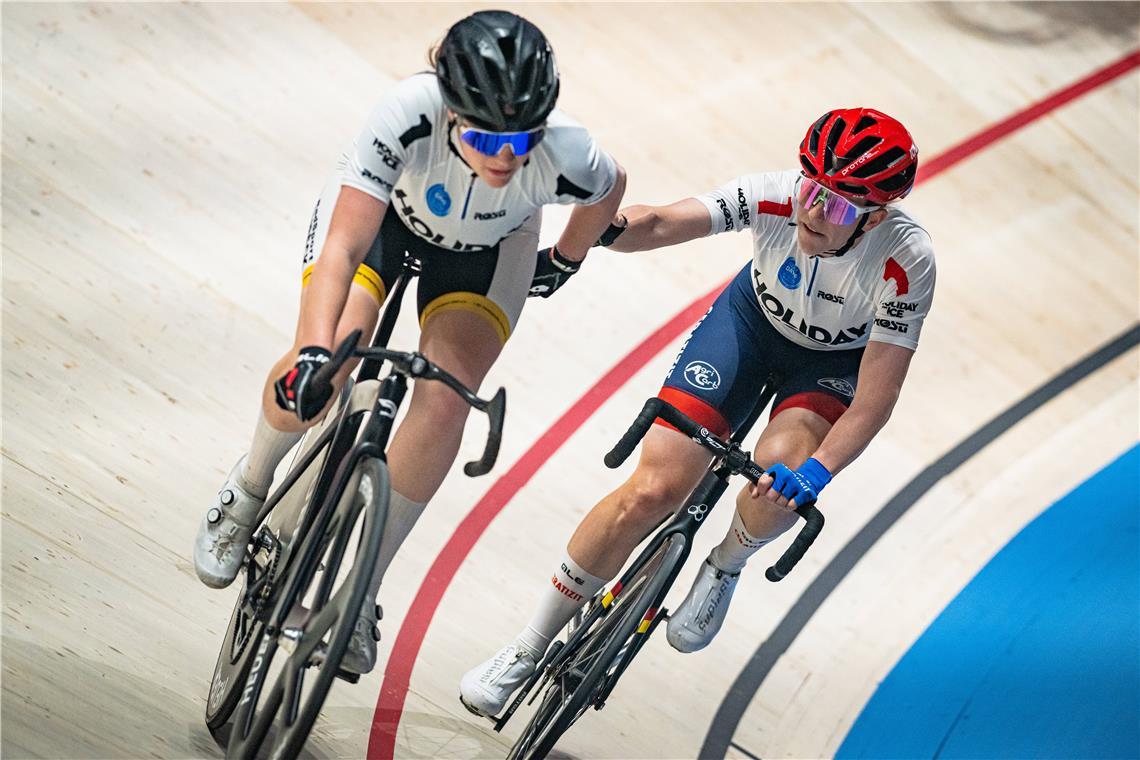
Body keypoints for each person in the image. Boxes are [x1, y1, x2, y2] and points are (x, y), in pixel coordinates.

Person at [192, 10, 626, 676]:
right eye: (485, 137)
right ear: (451, 110)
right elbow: (341, 246)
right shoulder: (406, 112)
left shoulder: (569, 151)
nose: (506, 157)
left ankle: (362, 590)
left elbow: (609, 187)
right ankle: (249, 487)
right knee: (328, 362)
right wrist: (314, 353)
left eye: (521, 140)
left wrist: (565, 258)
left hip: (487, 251)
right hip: (386, 225)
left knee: (447, 403)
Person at [460, 108, 933, 716]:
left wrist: (816, 475)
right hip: (750, 326)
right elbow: (660, 222)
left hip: (828, 366)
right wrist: (606, 227)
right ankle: (526, 646)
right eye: (812, 191)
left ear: (875, 217)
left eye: (839, 207)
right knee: (651, 490)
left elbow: (876, 397)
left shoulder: (906, 260)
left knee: (779, 474)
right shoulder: (774, 197)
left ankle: (726, 561)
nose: (814, 212)